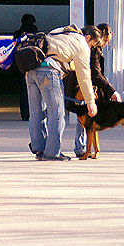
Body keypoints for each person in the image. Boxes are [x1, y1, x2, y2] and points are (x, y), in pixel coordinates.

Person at [26, 24, 99, 161]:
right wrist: (90, 101)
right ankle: (52, 152)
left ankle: (39, 148)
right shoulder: (82, 44)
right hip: (49, 72)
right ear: (88, 37)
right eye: (92, 45)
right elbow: (84, 76)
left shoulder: (61, 32)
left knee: (36, 111)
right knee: (57, 113)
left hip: (32, 69)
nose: (90, 48)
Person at [73, 22, 121, 157]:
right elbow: (96, 73)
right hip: (85, 86)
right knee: (85, 118)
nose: (106, 44)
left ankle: (87, 147)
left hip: (87, 85)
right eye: (106, 41)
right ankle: (81, 147)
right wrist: (111, 90)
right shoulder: (93, 49)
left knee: (85, 118)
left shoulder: (94, 48)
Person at [13, 14, 39, 121]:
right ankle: (34, 113)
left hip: (21, 65)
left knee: (23, 90)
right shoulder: (36, 33)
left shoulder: (17, 34)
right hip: (33, 65)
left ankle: (24, 114)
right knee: (35, 91)